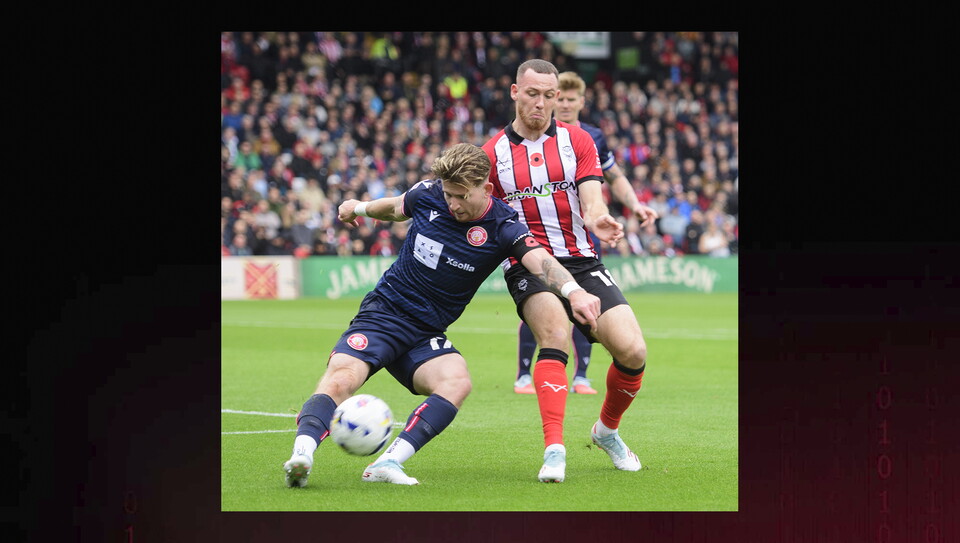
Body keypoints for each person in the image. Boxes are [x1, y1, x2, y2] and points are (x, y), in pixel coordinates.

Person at [282, 143, 601, 487]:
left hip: (426, 332)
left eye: (462, 196)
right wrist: (358, 207)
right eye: (449, 194)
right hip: (385, 313)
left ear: (487, 189)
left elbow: (540, 260)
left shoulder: (503, 226)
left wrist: (574, 291)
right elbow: (394, 208)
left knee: (457, 382)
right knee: (343, 376)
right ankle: (302, 454)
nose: (453, 204)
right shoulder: (428, 195)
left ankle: (388, 463)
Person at [482, 59, 658, 483]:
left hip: (581, 259)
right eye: (532, 94)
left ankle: (606, 432)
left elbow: (592, 196)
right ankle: (555, 449)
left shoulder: (578, 141)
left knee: (633, 352)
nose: (541, 103)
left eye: (549, 96)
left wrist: (597, 217)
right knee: (556, 337)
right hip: (528, 262)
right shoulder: (492, 154)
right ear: (514, 92)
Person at [512, 70, 657, 396]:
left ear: (581, 102)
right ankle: (523, 373)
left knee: (587, 309)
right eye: (556, 97)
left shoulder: (589, 138)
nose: (561, 104)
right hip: (539, 243)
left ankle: (582, 376)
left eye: (566, 98)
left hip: (583, 238)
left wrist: (634, 205)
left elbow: (614, 176)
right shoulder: (519, 143)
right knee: (546, 311)